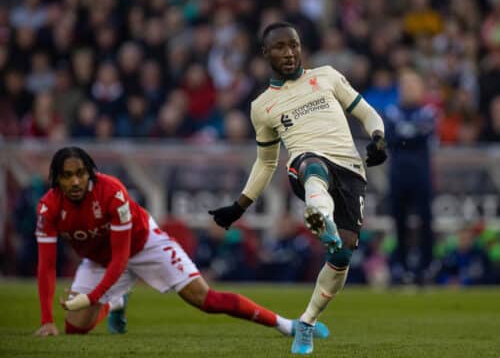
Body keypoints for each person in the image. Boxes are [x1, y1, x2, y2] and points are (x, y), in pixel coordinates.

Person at [209, 22, 387, 354]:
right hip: (305, 165)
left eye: (294, 45)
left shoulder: (328, 76)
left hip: (351, 172)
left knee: (343, 254)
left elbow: (367, 112)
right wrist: (240, 205)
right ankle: (322, 218)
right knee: (311, 165)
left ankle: (305, 322)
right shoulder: (262, 106)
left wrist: (378, 138)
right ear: (265, 54)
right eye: (280, 47)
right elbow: (265, 163)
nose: (289, 52)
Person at [33, 146, 329, 340]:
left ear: (91, 174)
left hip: (144, 244)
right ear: (56, 180)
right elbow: (45, 265)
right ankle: (114, 302)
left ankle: (287, 325)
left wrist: (92, 295)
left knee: (206, 300)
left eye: (80, 174)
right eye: (67, 176)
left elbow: (121, 258)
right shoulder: (48, 209)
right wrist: (48, 320)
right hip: (99, 262)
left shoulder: (112, 192)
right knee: (74, 330)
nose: (75, 182)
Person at [382, 69, 435, 284]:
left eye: (413, 85)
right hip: (398, 176)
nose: (409, 89)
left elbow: (423, 135)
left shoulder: (428, 112)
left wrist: (406, 134)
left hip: (421, 176)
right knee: (399, 223)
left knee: (426, 222)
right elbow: (392, 137)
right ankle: (401, 267)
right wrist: (411, 133)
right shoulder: (391, 111)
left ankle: (426, 267)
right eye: (405, 85)